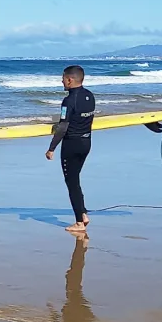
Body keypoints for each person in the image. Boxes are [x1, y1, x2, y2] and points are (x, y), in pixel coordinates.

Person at [45, 65, 94, 232]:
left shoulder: (68, 100)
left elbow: (64, 126)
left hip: (71, 146)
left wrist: (51, 148)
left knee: (72, 183)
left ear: (70, 80)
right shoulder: (90, 96)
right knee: (75, 179)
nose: (62, 82)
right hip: (86, 143)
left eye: (63, 79)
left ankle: (79, 222)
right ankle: (83, 214)